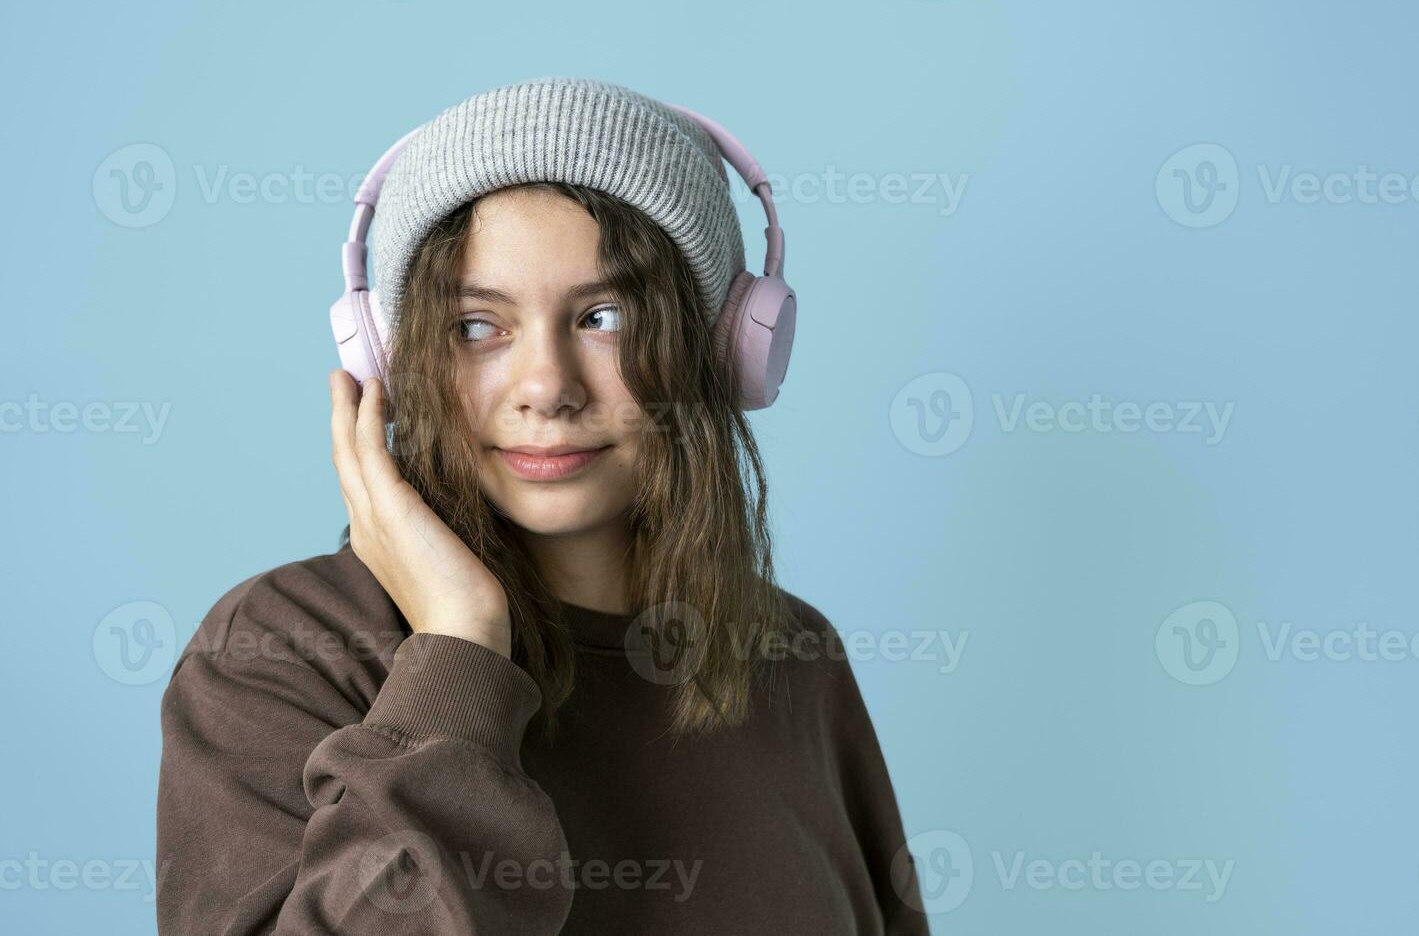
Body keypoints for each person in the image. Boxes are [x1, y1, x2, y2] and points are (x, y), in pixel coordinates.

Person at [155, 76, 930, 935]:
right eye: (476, 327)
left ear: (720, 348)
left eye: (605, 316)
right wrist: (457, 648)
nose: (547, 389)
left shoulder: (793, 654)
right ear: (394, 357)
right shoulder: (283, 649)